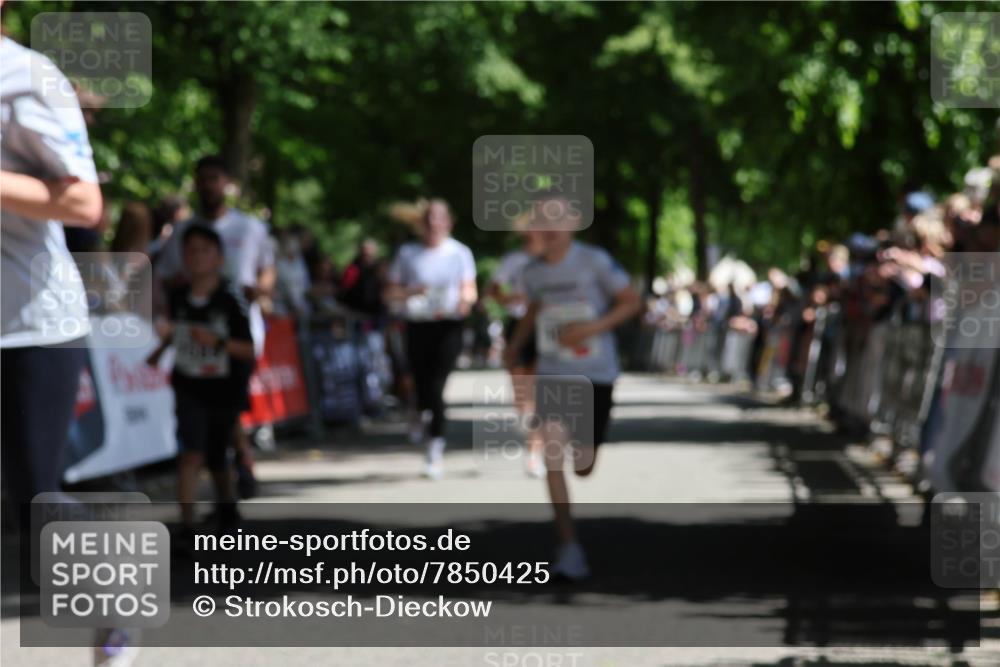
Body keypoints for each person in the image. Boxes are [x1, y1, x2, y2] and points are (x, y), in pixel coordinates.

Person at [504, 193, 641, 580]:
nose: (547, 227)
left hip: (596, 373)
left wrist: (590, 328)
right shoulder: (532, 272)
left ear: (573, 222)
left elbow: (631, 302)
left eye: (555, 218)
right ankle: (568, 546)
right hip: (552, 373)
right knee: (552, 454)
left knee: (583, 465)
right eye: (540, 219)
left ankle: (571, 539)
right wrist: (514, 346)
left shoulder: (594, 262)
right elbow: (533, 310)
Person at [156, 155, 275, 497]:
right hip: (193, 342)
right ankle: (237, 464)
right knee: (214, 414)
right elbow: (164, 279)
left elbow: (268, 270)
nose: (207, 185)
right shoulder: (182, 233)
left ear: (228, 183)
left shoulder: (250, 227)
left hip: (237, 336)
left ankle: (237, 464)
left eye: (214, 178)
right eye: (202, 179)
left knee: (226, 407)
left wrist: (262, 290)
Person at [152, 225, 254, 535]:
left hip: (223, 387)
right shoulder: (178, 296)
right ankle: (187, 525)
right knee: (191, 452)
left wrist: (216, 341)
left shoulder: (230, 298)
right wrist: (160, 350)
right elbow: (180, 332)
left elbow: (248, 349)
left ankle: (227, 505)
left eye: (204, 250)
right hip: (188, 384)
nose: (197, 257)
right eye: (191, 251)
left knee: (216, 454)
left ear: (219, 258)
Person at [385, 199, 477, 479]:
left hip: (448, 325)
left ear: (448, 223)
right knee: (421, 382)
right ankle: (419, 407)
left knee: (437, 385)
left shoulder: (459, 253)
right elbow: (391, 292)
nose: (434, 225)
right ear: (421, 224)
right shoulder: (408, 253)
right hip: (417, 325)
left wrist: (464, 302)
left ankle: (435, 447)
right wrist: (410, 293)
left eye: (439, 219)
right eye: (429, 220)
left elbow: (469, 290)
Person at [488, 227, 546, 477]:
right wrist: (512, 298)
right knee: (521, 392)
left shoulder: (554, 256)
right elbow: (494, 290)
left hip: (547, 326)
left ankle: (534, 452)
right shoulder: (513, 260)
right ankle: (528, 423)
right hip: (518, 326)